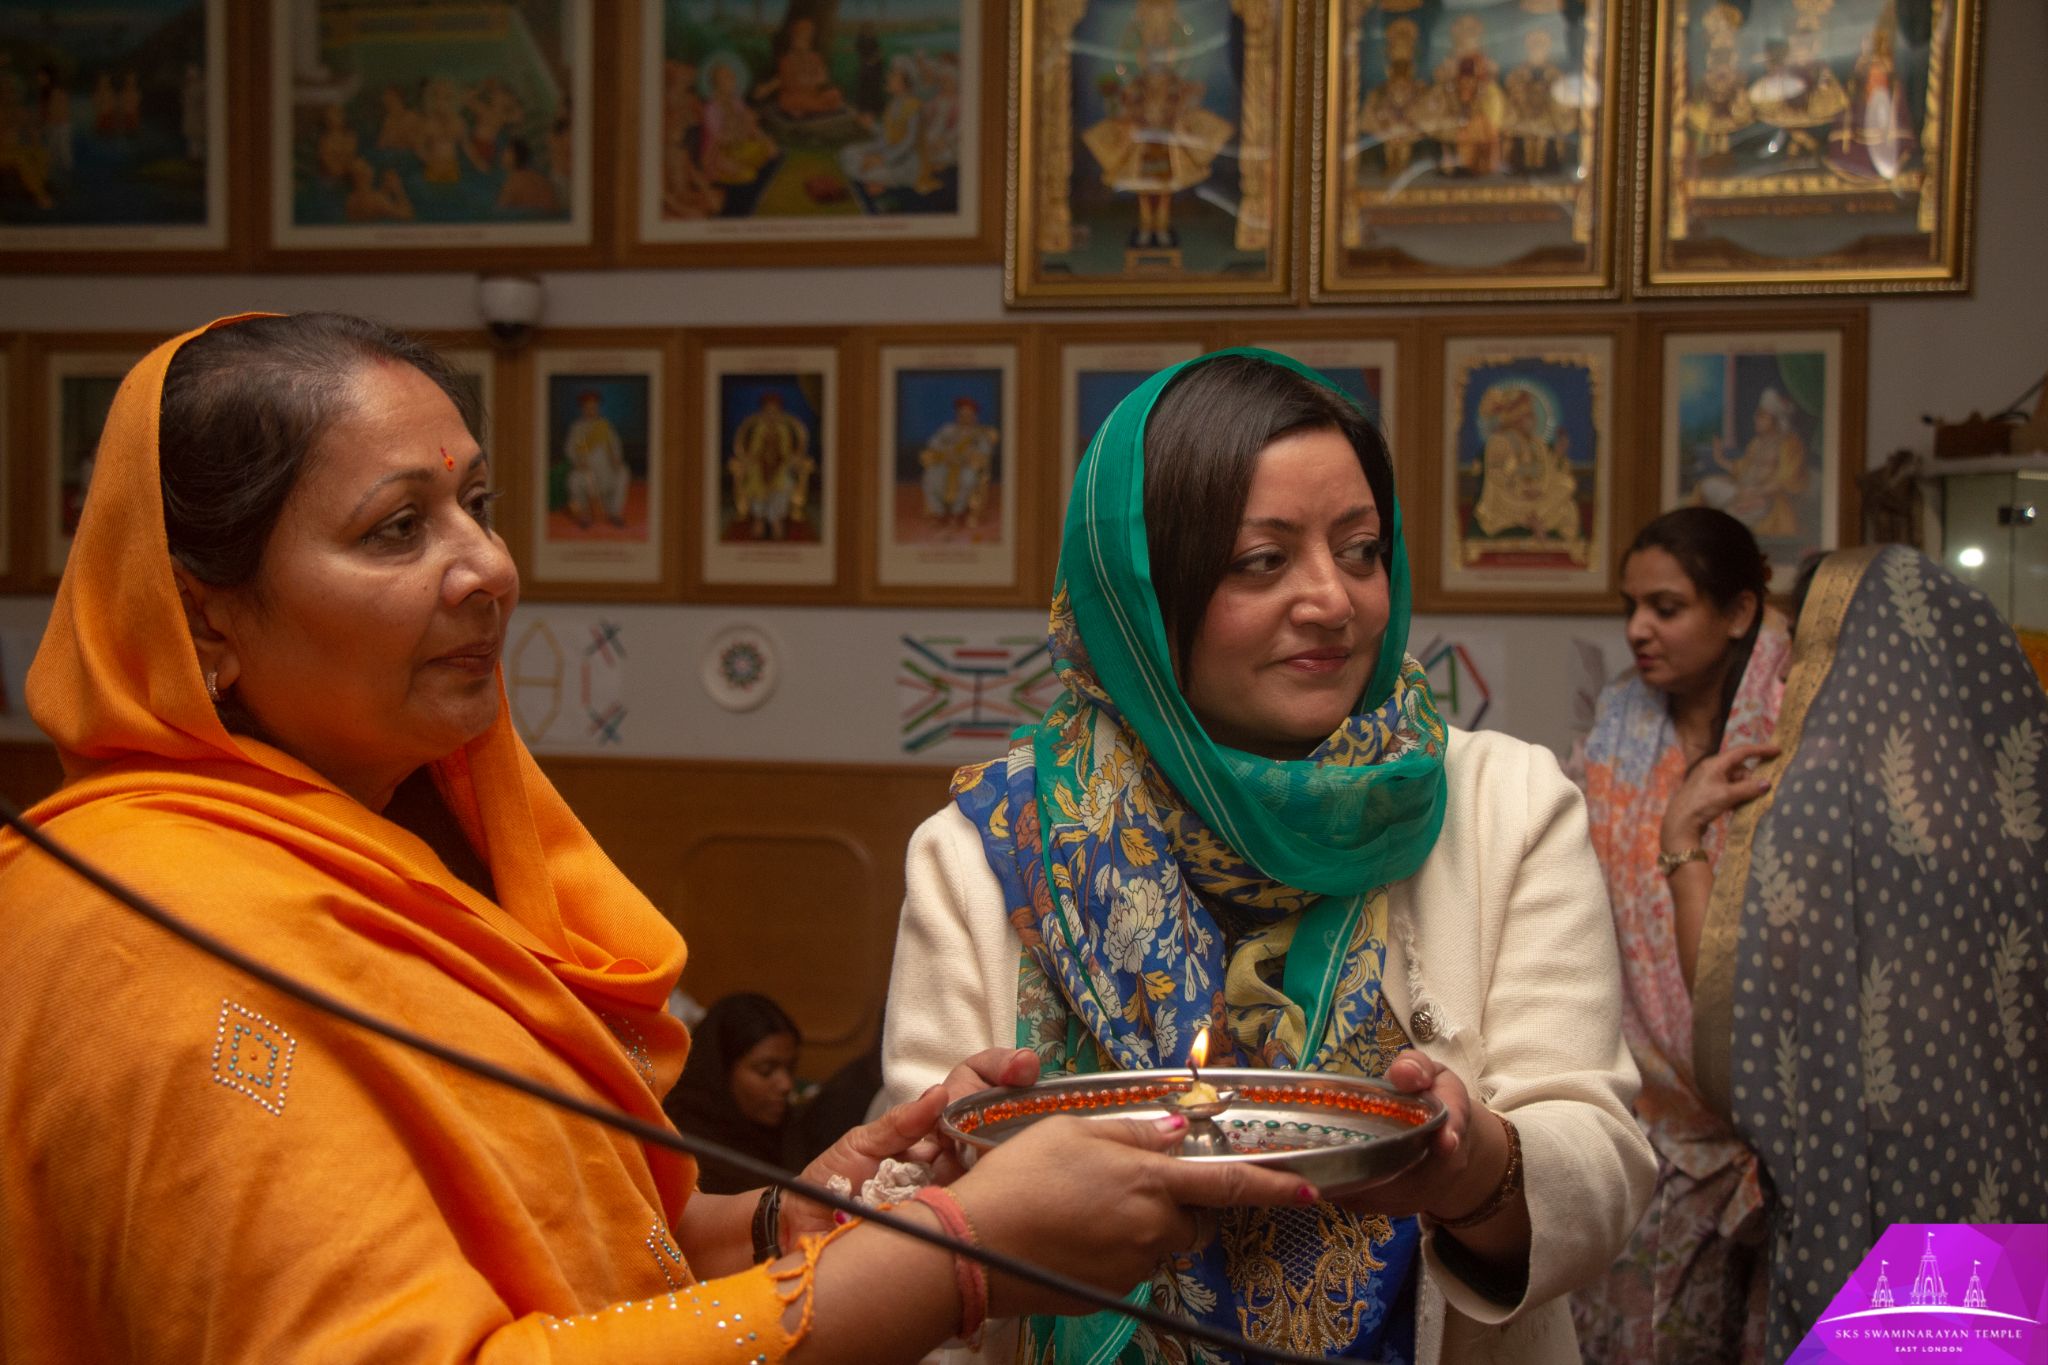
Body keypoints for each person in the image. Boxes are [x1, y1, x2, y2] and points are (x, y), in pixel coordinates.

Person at [0, 314, 1315, 1363]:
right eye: (398, 529)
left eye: (478, 503)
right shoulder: (155, 933)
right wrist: (953, 1260)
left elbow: (584, 1247)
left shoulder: (402, 853)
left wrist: (795, 1216)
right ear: (207, 622)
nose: (487, 567)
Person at [883, 349, 1654, 1364]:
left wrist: (1472, 1168)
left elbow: (1600, 1162)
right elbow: (916, 1224)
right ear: (1145, 592)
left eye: (1360, 550)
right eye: (1262, 561)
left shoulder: (1500, 807)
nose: (1331, 602)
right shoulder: (992, 852)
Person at [1692, 544, 2047, 1361]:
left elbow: (1744, 1016)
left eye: (1797, 655)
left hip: (1870, 1190)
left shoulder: (1818, 798)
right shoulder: (2007, 796)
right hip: (2002, 1189)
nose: (1781, 685)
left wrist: (1681, 843)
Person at [1570, 507, 1789, 1364]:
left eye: (1666, 607)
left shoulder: (1798, 726)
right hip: (1653, 1115)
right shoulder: (1621, 722)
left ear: (1737, 612)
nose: (1637, 629)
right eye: (1631, 606)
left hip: (1781, 1118)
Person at [663, 993, 805, 1194]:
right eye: (766, 1070)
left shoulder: (789, 1129)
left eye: (790, 1068)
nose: (786, 1084)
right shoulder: (682, 1140)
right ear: (721, 1071)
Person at [562, 388, 628, 529]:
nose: (591, 410)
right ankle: (583, 516)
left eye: (594, 407)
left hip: (606, 470)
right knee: (573, 480)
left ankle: (614, 513)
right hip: (585, 470)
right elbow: (569, 450)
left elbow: (615, 447)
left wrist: (616, 459)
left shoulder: (605, 426)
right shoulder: (577, 427)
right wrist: (578, 462)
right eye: (588, 407)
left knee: (623, 473)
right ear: (583, 409)